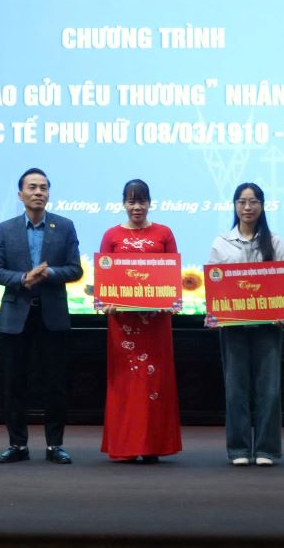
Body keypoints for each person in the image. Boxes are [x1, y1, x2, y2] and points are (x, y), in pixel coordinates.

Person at [0, 168, 83, 464]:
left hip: (52, 316)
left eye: (43, 187)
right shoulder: (6, 228)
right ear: (21, 195)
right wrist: (22, 279)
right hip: (16, 317)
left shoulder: (65, 226)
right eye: (32, 187)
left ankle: (55, 445)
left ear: (49, 193)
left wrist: (49, 273)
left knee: (54, 383)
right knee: (14, 383)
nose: (38, 192)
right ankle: (17, 444)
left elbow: (75, 269)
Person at [98, 179, 182, 463]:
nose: (137, 207)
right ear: (123, 203)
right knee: (126, 384)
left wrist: (173, 299)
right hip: (123, 326)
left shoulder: (164, 233)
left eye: (142, 201)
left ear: (150, 203)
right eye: (132, 201)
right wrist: (105, 302)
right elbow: (104, 280)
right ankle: (125, 445)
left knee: (154, 384)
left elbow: (172, 275)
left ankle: (152, 446)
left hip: (156, 324)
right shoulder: (111, 235)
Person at [207, 182, 284, 466]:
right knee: (235, 388)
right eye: (242, 202)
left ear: (262, 206)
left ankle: (266, 449)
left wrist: (283, 310)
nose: (247, 207)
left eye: (253, 201)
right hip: (234, 327)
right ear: (234, 206)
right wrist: (216, 312)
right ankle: (239, 449)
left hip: (268, 327)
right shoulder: (222, 242)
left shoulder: (275, 242)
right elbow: (215, 286)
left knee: (269, 389)